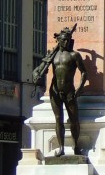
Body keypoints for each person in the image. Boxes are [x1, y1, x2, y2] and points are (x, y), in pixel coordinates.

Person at [33, 24, 90, 156]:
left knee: (74, 120)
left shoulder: (74, 55)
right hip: (55, 90)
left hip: (70, 91)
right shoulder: (52, 56)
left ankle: (76, 146)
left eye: (68, 40)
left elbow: (84, 72)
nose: (66, 42)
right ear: (58, 40)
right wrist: (38, 74)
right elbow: (42, 69)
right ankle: (61, 148)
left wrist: (80, 88)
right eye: (63, 39)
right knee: (58, 119)